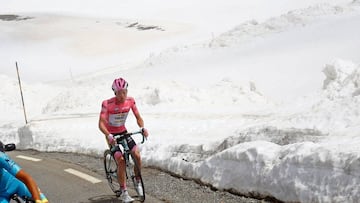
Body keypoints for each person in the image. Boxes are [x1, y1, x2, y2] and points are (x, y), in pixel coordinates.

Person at [99, 77, 149, 203]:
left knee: (136, 154)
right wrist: (108, 135)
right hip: (111, 135)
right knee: (121, 161)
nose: (122, 95)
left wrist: (142, 127)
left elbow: (138, 117)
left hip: (123, 132)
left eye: (124, 92)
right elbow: (101, 124)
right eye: (119, 92)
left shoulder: (130, 101)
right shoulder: (107, 104)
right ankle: (123, 191)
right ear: (115, 93)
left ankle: (137, 180)